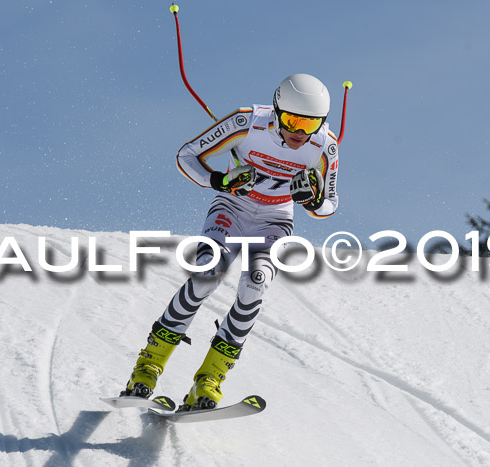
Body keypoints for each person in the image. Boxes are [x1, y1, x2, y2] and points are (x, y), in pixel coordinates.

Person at [120, 73, 340, 411]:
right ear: (278, 110)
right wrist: (221, 180)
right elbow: (186, 156)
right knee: (206, 275)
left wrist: (311, 199)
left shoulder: (324, 144)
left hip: (275, 219)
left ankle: (210, 378)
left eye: (310, 124)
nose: (299, 132)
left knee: (256, 284)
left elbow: (330, 204)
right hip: (232, 208)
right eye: (293, 120)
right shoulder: (247, 122)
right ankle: (147, 367)